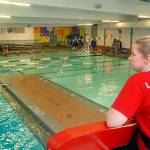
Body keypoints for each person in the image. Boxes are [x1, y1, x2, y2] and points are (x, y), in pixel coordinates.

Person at [107, 36, 150, 150]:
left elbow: (113, 122)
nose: (129, 58)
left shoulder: (139, 81)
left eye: (134, 54)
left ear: (147, 59)